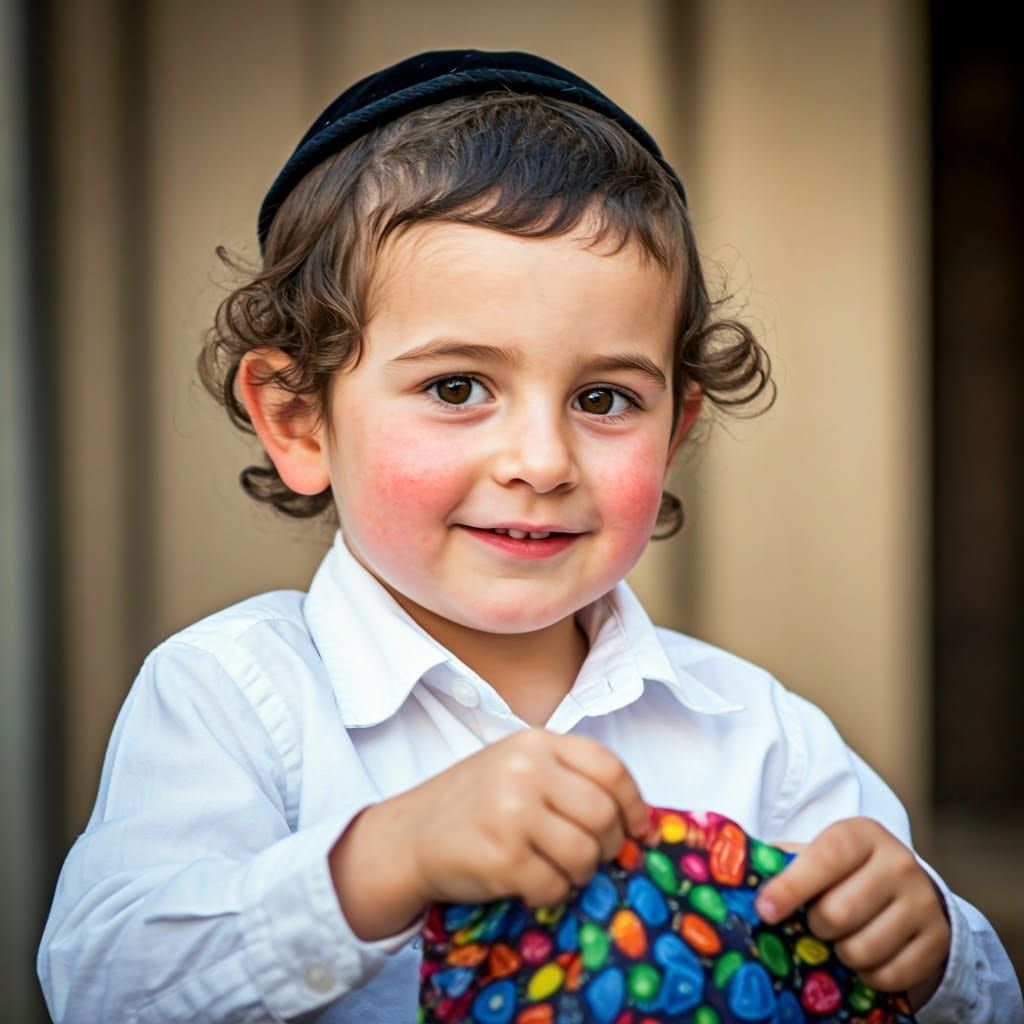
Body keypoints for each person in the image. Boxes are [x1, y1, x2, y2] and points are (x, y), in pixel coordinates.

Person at [37, 49, 1021, 1024]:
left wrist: (934, 955)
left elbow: (980, 1000)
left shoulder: (761, 739)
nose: (541, 460)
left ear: (675, 432)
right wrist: (381, 860)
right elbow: (99, 982)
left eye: (602, 398)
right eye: (457, 387)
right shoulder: (238, 698)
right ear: (297, 419)